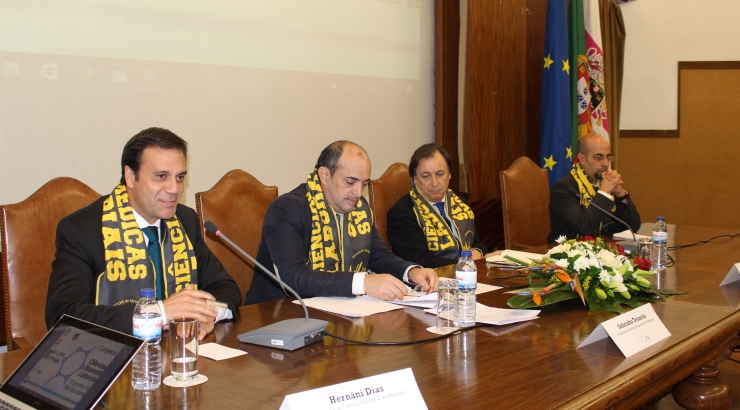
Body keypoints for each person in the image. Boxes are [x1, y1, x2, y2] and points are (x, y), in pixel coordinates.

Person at [46, 127, 241, 340]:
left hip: (176, 353)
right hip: (111, 357)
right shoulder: (83, 230)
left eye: (179, 177)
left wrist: (207, 315)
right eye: (161, 176)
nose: (175, 189)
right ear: (130, 176)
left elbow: (225, 288)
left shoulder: (184, 220)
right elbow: (62, 315)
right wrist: (159, 313)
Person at [245, 141, 439, 305]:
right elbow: (294, 277)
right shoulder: (288, 209)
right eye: (350, 182)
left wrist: (412, 271)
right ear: (324, 175)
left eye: (363, 184)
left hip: (340, 310)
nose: (357, 192)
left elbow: (377, 256)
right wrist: (364, 282)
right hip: (278, 314)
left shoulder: (359, 208)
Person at [387, 143, 493, 268]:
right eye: (426, 176)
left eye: (440, 174)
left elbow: (476, 243)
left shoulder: (460, 204)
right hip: (431, 281)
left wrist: (477, 252)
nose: (434, 183)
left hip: (469, 276)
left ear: (449, 175)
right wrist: (468, 263)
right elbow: (423, 262)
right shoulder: (402, 213)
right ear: (415, 179)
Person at [548, 132, 641, 243]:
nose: (606, 163)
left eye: (608, 157)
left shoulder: (604, 185)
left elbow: (632, 227)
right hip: (568, 255)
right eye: (598, 157)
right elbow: (585, 227)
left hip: (601, 251)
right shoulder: (564, 188)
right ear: (582, 159)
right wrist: (604, 193)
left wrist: (620, 195)